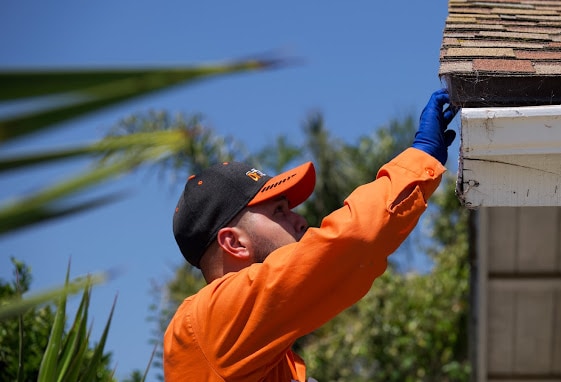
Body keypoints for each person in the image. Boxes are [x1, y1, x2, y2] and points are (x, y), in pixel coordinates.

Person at [163, 88, 459, 381]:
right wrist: (421, 157)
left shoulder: (267, 356)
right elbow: (351, 240)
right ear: (234, 242)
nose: (301, 221)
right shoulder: (211, 321)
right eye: (279, 211)